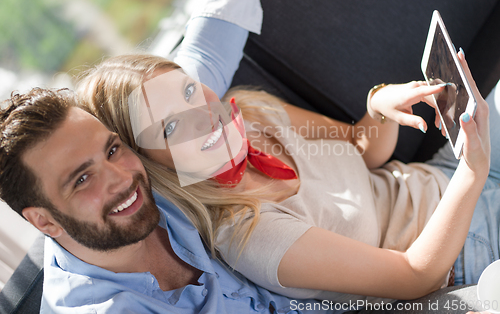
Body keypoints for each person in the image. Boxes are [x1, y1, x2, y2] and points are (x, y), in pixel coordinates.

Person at [0, 0, 337, 313]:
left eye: (112, 149)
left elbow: (202, 57)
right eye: (82, 179)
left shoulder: (155, 164)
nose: (121, 176)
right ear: (43, 220)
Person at [77, 35, 496, 305]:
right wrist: (474, 171)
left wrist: (379, 107)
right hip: (455, 251)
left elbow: (362, 152)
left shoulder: (255, 112)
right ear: (150, 163)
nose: (203, 115)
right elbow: (414, 277)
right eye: (169, 126)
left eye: (189, 89)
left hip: (442, 175)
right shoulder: (247, 233)